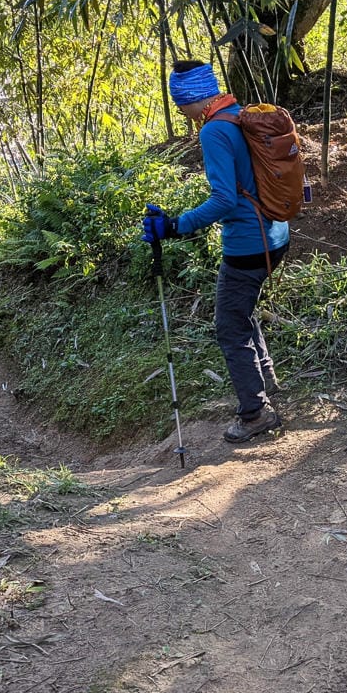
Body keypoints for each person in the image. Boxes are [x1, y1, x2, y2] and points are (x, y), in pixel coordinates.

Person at [142, 61, 289, 444]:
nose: (180, 111)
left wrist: (176, 225)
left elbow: (224, 199)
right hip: (275, 235)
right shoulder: (240, 117)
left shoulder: (214, 131)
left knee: (229, 326)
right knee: (242, 312)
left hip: (248, 244)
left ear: (191, 98)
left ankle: (255, 413)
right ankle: (267, 386)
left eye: (180, 104)